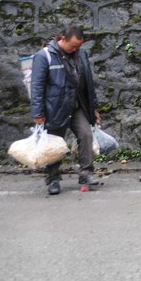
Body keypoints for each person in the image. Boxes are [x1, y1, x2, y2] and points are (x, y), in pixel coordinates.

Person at [31, 24, 102, 195]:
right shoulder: (44, 56)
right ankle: (53, 179)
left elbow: (89, 83)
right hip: (55, 107)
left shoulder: (81, 54)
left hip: (77, 105)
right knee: (54, 144)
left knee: (86, 135)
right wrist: (38, 113)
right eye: (73, 46)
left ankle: (86, 173)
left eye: (79, 46)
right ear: (62, 39)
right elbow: (37, 87)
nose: (76, 49)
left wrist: (93, 107)